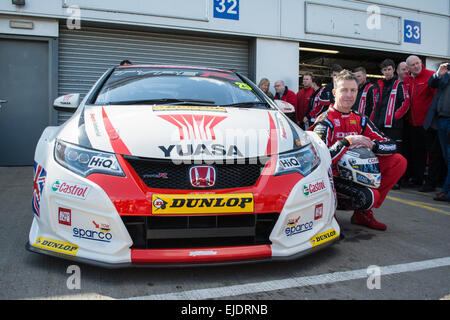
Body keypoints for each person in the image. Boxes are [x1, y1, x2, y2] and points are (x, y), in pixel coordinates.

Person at [311, 70, 407, 231]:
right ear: (335, 92)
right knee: (370, 196)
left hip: (355, 175)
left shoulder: (360, 119)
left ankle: (362, 214)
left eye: (353, 90)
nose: (349, 95)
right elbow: (319, 160)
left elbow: (391, 145)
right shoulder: (325, 121)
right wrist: (346, 141)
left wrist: (373, 146)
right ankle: (328, 216)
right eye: (344, 90)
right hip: (330, 179)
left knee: (398, 161)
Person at [403, 55, 437, 188]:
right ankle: (417, 178)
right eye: (413, 65)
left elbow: (436, 98)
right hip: (413, 123)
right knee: (417, 153)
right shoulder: (407, 80)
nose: (416, 66)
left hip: (427, 124)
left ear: (421, 63)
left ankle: (431, 182)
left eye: (418, 63)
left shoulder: (431, 76)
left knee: (431, 154)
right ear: (409, 68)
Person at [372, 59, 410, 157]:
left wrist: (395, 117)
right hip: (380, 126)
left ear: (394, 70)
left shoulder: (400, 85)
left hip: (395, 127)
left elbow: (406, 103)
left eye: (389, 69)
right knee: (381, 152)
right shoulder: (379, 85)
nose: (387, 72)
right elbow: (375, 105)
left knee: (395, 153)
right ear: (382, 71)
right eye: (385, 70)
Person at [424, 63, 450, 201]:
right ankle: (446, 190)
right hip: (441, 120)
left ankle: (446, 191)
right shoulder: (445, 76)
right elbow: (431, 83)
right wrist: (439, 73)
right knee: (446, 157)